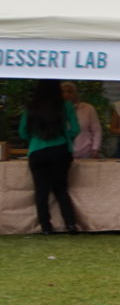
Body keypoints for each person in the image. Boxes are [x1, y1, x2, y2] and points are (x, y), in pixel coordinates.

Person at [18, 81, 81, 234]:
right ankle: (70, 224)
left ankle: (46, 226)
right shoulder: (65, 105)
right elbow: (76, 129)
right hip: (59, 149)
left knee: (41, 190)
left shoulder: (31, 106)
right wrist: (67, 138)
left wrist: (34, 140)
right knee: (60, 189)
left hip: (37, 151)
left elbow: (22, 132)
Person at [64, 84, 102, 159]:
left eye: (70, 92)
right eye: (63, 92)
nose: (66, 94)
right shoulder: (55, 110)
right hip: (63, 152)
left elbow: (97, 130)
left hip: (86, 153)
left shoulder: (88, 108)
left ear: (75, 93)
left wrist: (95, 148)